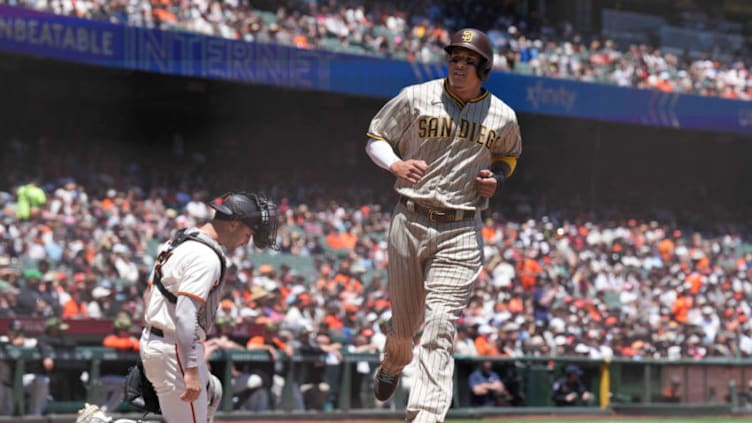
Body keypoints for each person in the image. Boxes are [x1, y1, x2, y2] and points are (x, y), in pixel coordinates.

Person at [366, 27, 522, 423]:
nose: (458, 65)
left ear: (483, 68)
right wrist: (395, 164)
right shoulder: (416, 96)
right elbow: (376, 137)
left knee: (439, 324)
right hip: (410, 218)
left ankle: (425, 415)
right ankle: (392, 363)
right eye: (454, 57)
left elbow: (508, 156)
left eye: (468, 60)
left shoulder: (502, 115)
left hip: (461, 227)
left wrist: (497, 179)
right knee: (404, 327)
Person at [140, 191, 278, 423]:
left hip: (162, 343)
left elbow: (148, 294)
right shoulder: (205, 256)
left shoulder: (179, 240)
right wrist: (191, 368)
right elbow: (185, 314)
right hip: (174, 349)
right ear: (233, 224)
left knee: (212, 391)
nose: (247, 240)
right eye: (248, 233)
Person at [0, 320, 49, 416]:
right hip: (4, 385)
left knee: (41, 380)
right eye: (13, 332)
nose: (16, 335)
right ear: (8, 333)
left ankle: (35, 414)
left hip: (22, 381)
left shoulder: (28, 342)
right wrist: (11, 343)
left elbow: (40, 342)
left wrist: (46, 356)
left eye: (18, 333)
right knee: (6, 413)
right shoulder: (3, 340)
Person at [94, 316, 140, 412]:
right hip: (104, 378)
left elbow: (139, 346)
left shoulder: (130, 340)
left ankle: (104, 413)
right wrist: (131, 342)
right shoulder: (111, 339)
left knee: (121, 391)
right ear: (120, 330)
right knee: (127, 384)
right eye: (126, 330)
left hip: (118, 380)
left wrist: (132, 343)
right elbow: (111, 343)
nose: (128, 332)